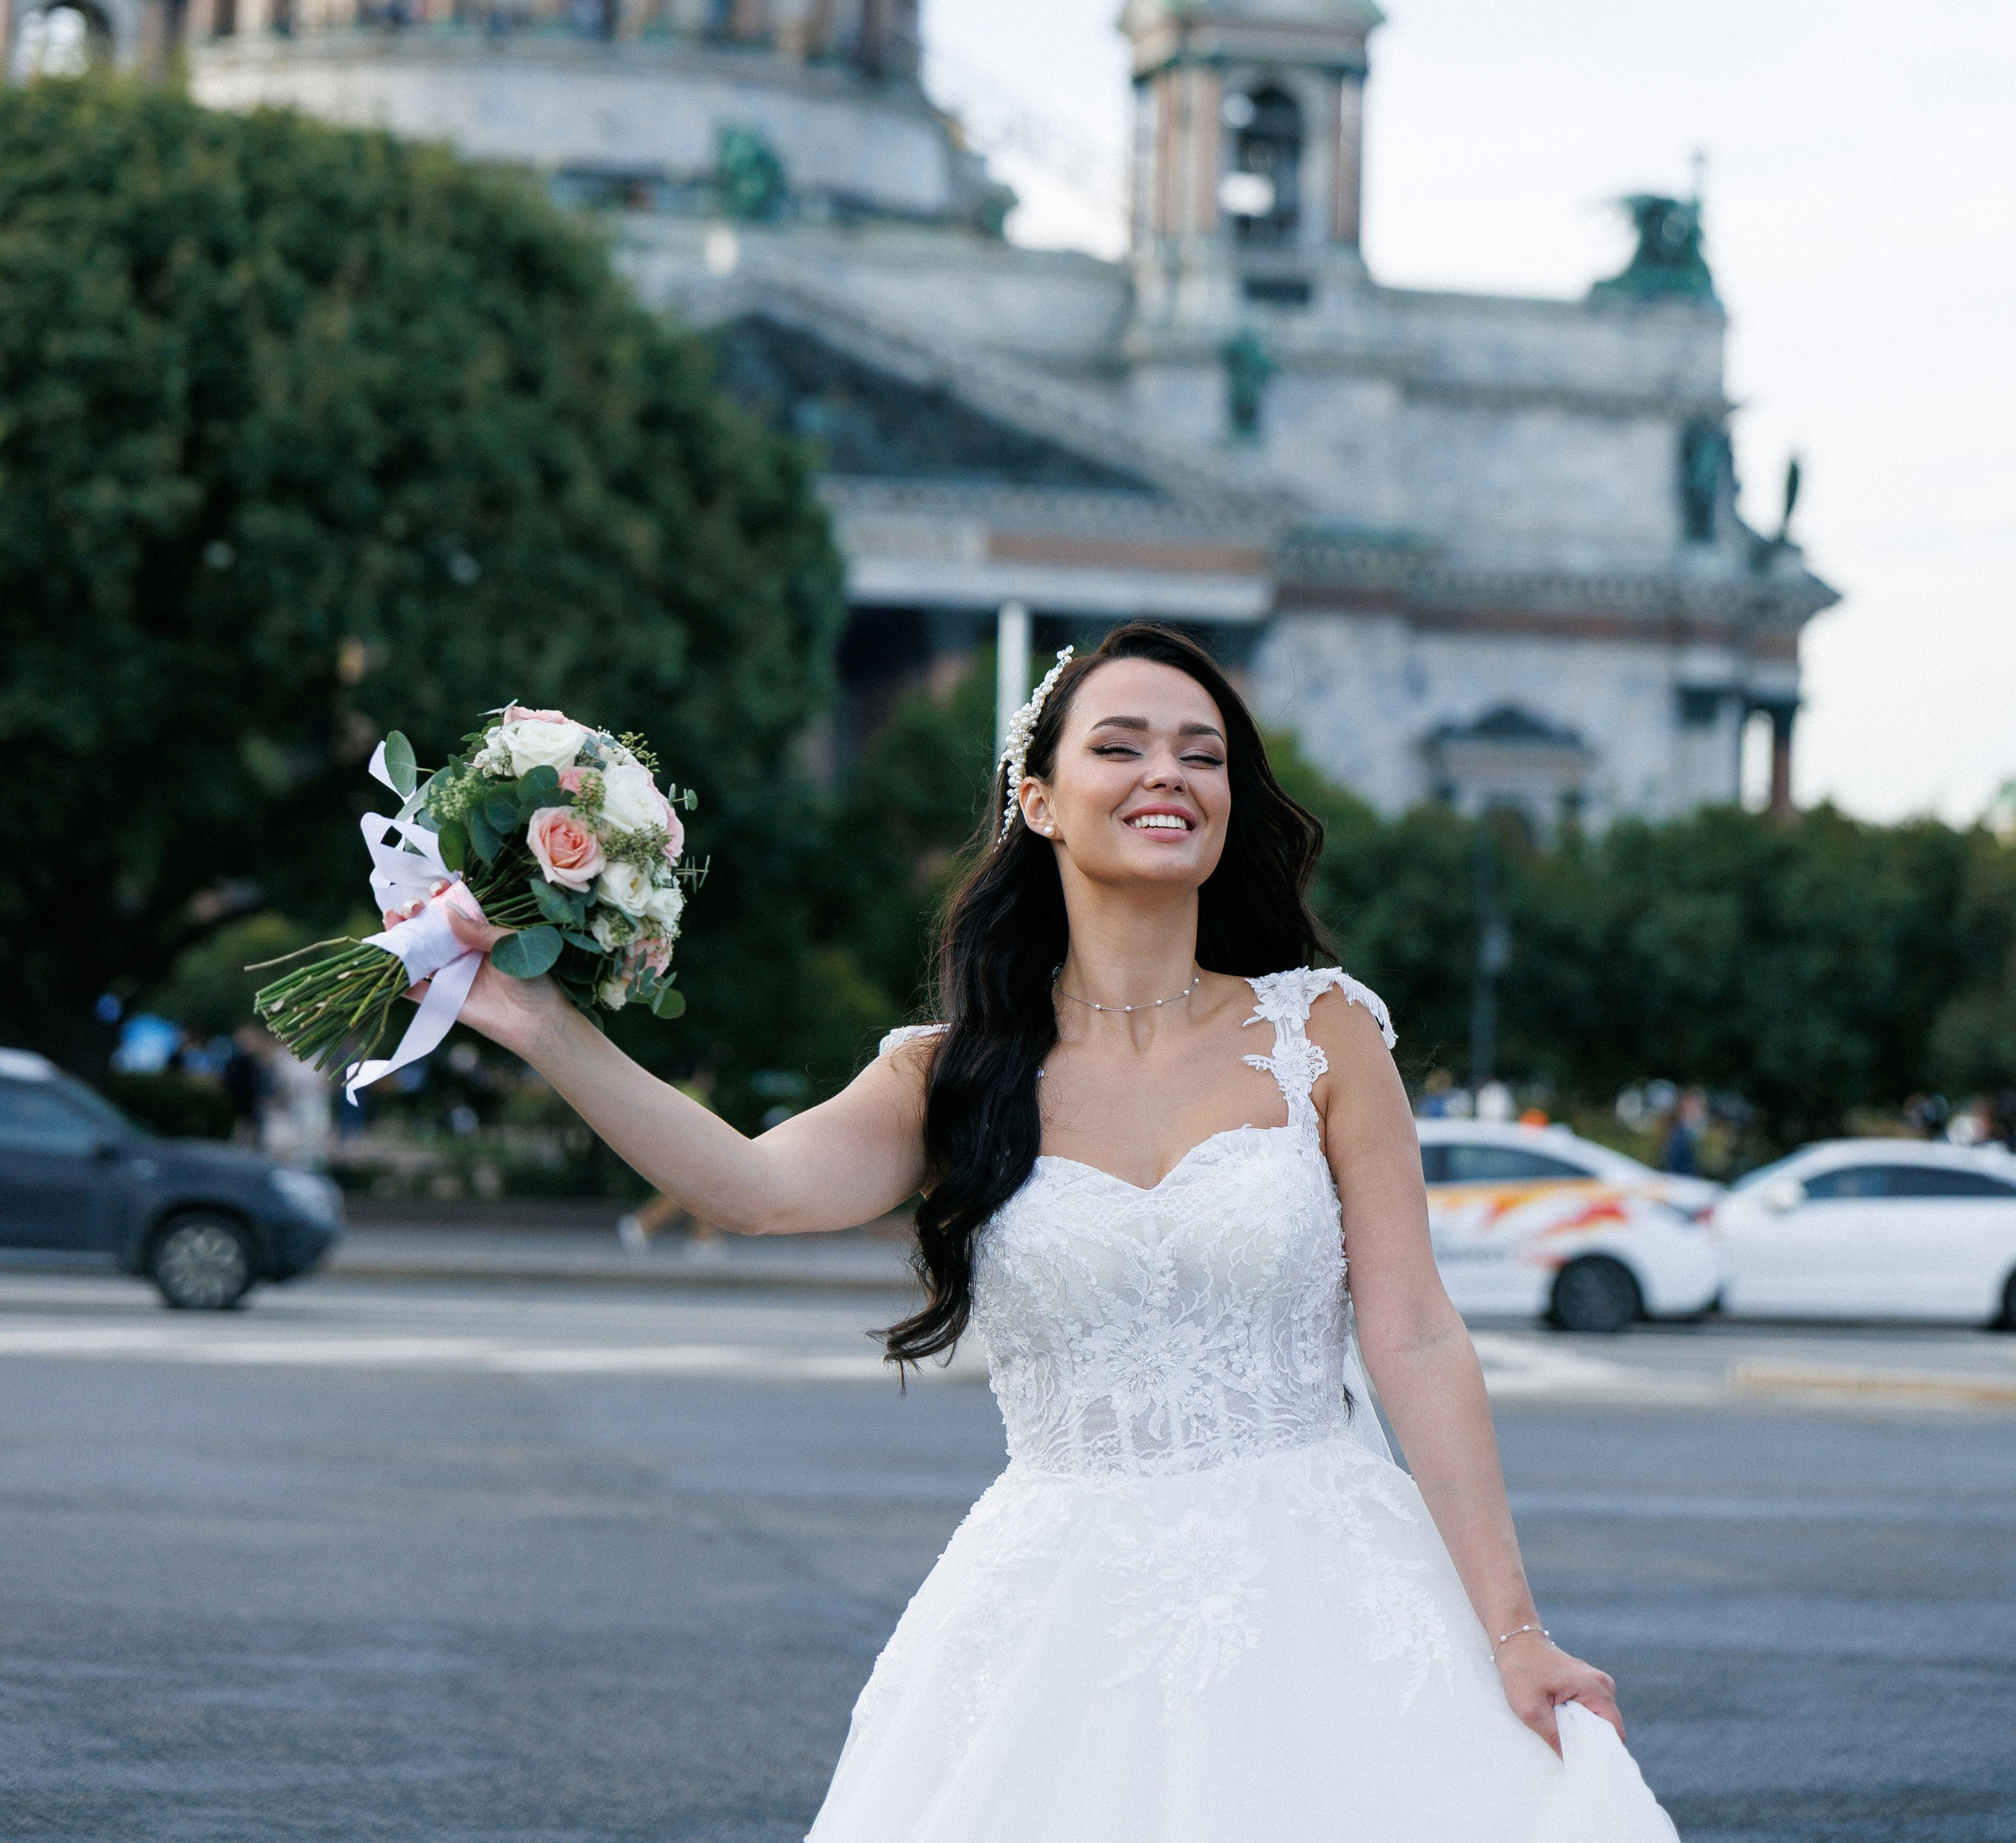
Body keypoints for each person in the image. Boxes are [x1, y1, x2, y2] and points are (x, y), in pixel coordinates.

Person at [439, 621, 1677, 1840]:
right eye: (1123, 746)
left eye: (1203, 755)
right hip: (1056, 1611)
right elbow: (752, 1188)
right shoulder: (952, 1072)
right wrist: (549, 1028)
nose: (1168, 776)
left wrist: (1516, 1634)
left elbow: (1413, 1336)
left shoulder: (1325, 1035)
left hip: (1325, 1586)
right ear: (1037, 799)